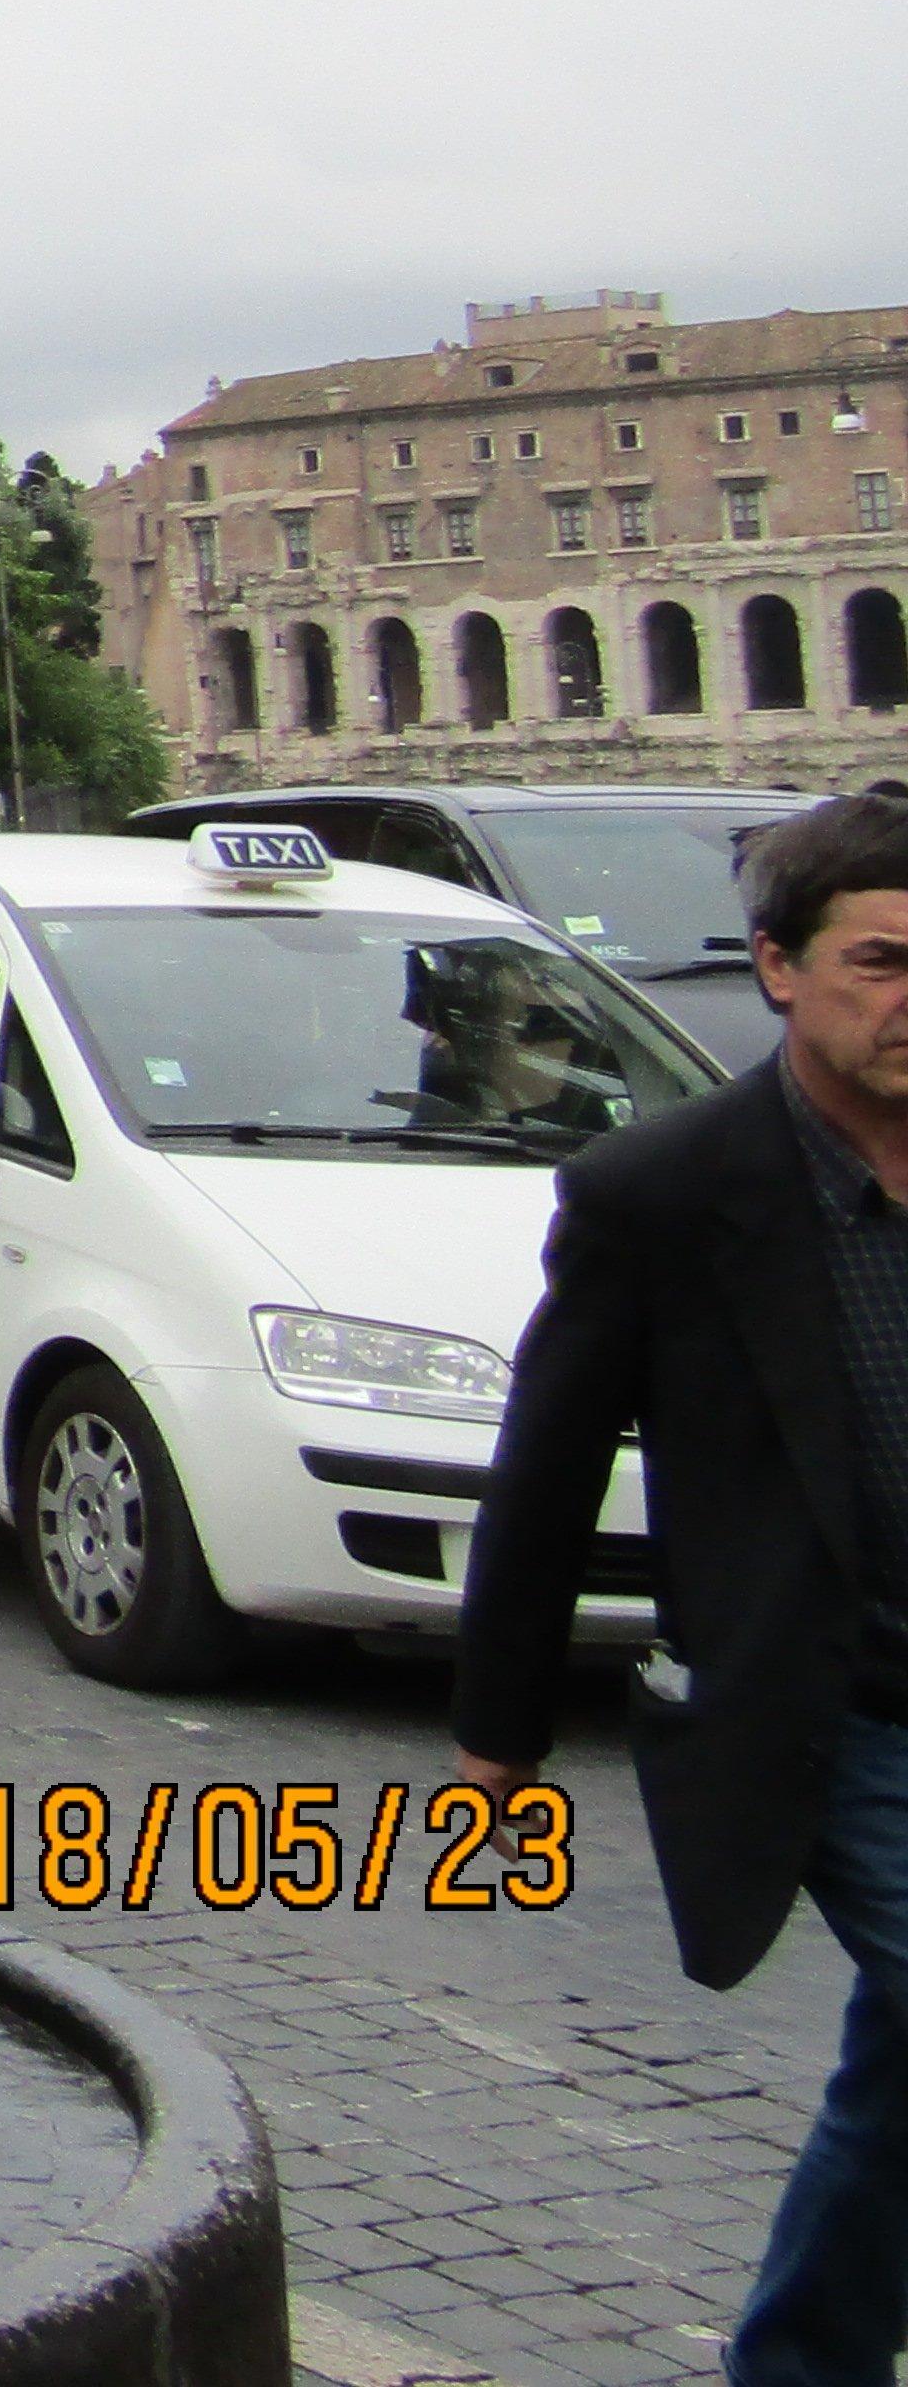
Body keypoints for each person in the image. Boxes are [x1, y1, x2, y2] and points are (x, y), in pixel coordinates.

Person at [458, 790, 908, 2387]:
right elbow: (550, 1456)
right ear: (780, 971)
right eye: (883, 963)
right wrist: (497, 1735)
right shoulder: (662, 1194)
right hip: (829, 1704)